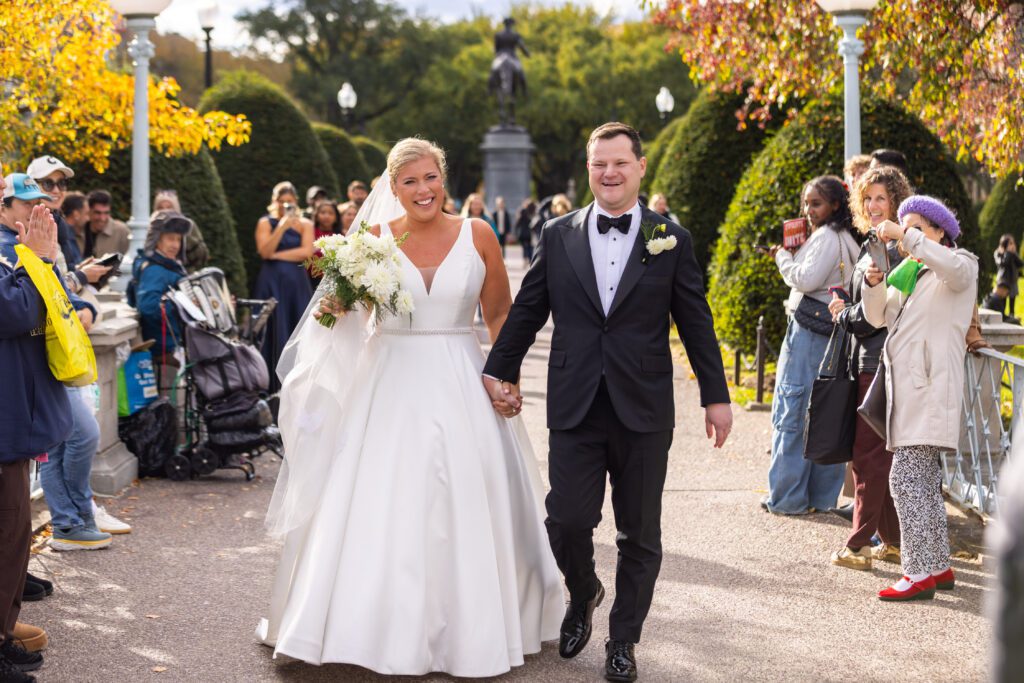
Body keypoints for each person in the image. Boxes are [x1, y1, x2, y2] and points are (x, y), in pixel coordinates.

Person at [258, 138, 564, 676]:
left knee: (471, 492)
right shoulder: (370, 241)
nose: (422, 190)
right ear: (392, 187)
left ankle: (475, 627)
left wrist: (504, 378)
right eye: (409, 181)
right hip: (388, 381)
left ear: (443, 179)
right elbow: (338, 323)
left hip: (461, 377)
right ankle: (364, 627)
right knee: (379, 495)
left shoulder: (479, 234)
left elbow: (500, 316)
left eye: (430, 178)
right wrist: (337, 305)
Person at [482, 122, 732, 683]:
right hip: (575, 402)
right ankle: (583, 590)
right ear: (588, 169)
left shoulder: (672, 238)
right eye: (599, 164)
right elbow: (527, 310)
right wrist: (497, 369)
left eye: (620, 163)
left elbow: (696, 322)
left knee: (639, 533)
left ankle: (623, 639)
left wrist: (716, 397)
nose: (610, 173)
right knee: (566, 521)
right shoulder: (557, 233)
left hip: (644, 407)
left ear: (641, 167)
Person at [862, 195, 977, 601]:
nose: (903, 235)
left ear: (938, 231)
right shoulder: (911, 272)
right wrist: (873, 285)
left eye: (915, 227)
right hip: (908, 390)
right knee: (924, 482)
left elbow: (955, 273)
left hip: (930, 388)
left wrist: (905, 237)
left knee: (905, 480)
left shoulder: (961, 262)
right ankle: (937, 566)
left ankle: (917, 573)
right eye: (902, 227)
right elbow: (878, 317)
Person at [0, 170, 68, 682]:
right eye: (25, 204)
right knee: (8, 527)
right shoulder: (14, 248)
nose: (36, 211)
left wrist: (41, 262)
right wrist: (40, 259)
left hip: (14, 408)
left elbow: (51, 309)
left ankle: (3, 631)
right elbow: (17, 311)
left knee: (14, 527)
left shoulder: (17, 247)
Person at [826, 165, 912, 570]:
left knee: (869, 454)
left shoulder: (896, 248)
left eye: (881, 197)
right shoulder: (872, 244)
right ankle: (893, 543)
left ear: (896, 200)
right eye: (868, 199)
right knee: (880, 453)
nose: (874, 206)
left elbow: (880, 316)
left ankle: (859, 544)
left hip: (881, 360)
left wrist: (844, 313)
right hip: (871, 358)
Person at [763, 175, 859, 515]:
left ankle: (787, 498)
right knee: (826, 413)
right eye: (806, 203)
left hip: (808, 333)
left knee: (793, 406)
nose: (808, 209)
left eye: (815, 203)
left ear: (835, 204)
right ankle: (820, 498)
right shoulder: (848, 237)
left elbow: (804, 279)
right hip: (836, 333)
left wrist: (781, 258)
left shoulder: (827, 237)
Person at [253, 182, 314, 393]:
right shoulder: (265, 222)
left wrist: (277, 255)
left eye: (289, 201)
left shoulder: (305, 224)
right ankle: (268, 382)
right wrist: (281, 228)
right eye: (281, 201)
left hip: (295, 283)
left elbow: (306, 252)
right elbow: (264, 250)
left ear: (296, 202)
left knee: (295, 324)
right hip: (271, 282)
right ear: (274, 202)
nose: (285, 204)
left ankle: (298, 382)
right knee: (271, 326)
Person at [131, 212, 192, 375]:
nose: (176, 245)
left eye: (179, 239)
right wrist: (187, 304)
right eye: (170, 238)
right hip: (165, 352)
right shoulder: (155, 270)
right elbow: (149, 307)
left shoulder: (169, 266)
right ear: (157, 239)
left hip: (171, 347)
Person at [153, 189, 209, 271]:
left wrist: (187, 238)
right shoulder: (150, 227)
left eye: (169, 207)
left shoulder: (188, 225)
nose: (164, 211)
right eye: (160, 208)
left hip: (184, 274)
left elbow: (202, 257)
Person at [81, 190, 130, 259]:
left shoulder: (122, 231)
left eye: (106, 213)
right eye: (97, 213)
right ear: (88, 211)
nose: (102, 218)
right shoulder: (79, 229)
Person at [994, 234, 1023, 321]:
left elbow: (1020, 264)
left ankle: (1012, 321)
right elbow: (1003, 263)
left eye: (1013, 243)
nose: (1012, 245)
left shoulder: (1012, 253)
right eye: (1010, 243)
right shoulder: (998, 252)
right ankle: (1002, 320)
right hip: (1003, 282)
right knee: (1002, 304)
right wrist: (1008, 253)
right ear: (1005, 244)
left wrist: (1013, 253)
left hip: (1013, 282)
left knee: (1012, 305)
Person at [515, 199, 536, 266]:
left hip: (523, 232)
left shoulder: (522, 211)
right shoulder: (532, 211)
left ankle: (525, 260)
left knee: (524, 247)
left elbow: (518, 222)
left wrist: (516, 229)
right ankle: (530, 260)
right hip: (530, 232)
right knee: (530, 247)